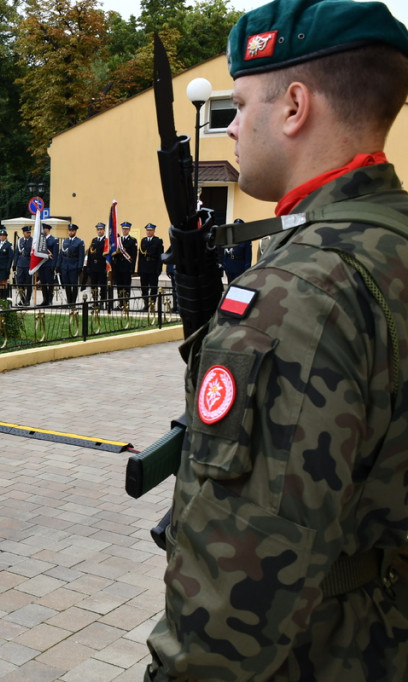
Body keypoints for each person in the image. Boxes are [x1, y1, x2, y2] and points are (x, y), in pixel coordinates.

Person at [146, 1, 408, 679]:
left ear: (294, 106)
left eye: (238, 106)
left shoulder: (298, 294)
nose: (231, 129)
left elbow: (231, 609)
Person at [56, 222, 84, 305]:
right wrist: (58, 265)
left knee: (74, 284)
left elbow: (81, 255)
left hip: (74, 266)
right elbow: (61, 254)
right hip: (65, 265)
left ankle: (73, 301)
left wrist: (80, 266)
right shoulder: (65, 241)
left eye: (72, 231)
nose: (70, 232)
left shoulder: (79, 242)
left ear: (75, 231)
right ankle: (69, 301)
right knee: (67, 284)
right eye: (69, 230)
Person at [136, 223, 164, 310]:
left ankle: (152, 304)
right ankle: (146, 304)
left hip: (153, 267)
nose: (148, 232)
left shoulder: (158, 241)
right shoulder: (143, 241)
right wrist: (139, 269)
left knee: (153, 287)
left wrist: (159, 269)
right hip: (144, 268)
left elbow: (160, 256)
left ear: (154, 231)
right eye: (147, 230)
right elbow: (140, 257)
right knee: (144, 287)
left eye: (150, 230)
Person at [217, 219, 253, 284]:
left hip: (240, 266)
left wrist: (247, 269)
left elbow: (248, 256)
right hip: (230, 265)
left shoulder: (246, 239)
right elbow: (226, 251)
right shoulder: (229, 238)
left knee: (239, 285)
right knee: (230, 285)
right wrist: (224, 264)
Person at [84, 222, 110, 310]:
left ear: (104, 230)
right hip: (93, 267)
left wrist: (106, 267)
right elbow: (90, 255)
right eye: (98, 229)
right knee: (93, 285)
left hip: (102, 266)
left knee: (103, 286)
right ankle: (95, 301)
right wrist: (88, 267)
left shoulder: (106, 241)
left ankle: (102, 302)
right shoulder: (94, 240)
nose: (99, 231)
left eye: (101, 229)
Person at [112, 221, 137, 307]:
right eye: (123, 229)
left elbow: (134, 255)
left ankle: (126, 302)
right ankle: (120, 302)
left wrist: (132, 268)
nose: (125, 230)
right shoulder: (118, 240)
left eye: (126, 229)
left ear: (129, 229)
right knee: (119, 285)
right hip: (119, 267)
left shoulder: (133, 240)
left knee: (126, 285)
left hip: (127, 267)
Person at [13, 225, 33, 306]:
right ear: (23, 233)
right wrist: (15, 264)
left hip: (28, 264)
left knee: (28, 283)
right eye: (27, 232)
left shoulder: (32, 241)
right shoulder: (20, 240)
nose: (28, 234)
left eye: (29, 232)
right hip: (20, 264)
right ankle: (22, 299)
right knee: (20, 282)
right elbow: (17, 253)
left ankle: (27, 300)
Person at [0, 228, 14, 300]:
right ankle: (0, 296)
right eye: (0, 235)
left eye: (3, 235)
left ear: (6, 236)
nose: (1, 237)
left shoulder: (8, 245)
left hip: (4, 266)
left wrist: (8, 267)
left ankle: (5, 296)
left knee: (4, 281)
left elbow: (10, 257)